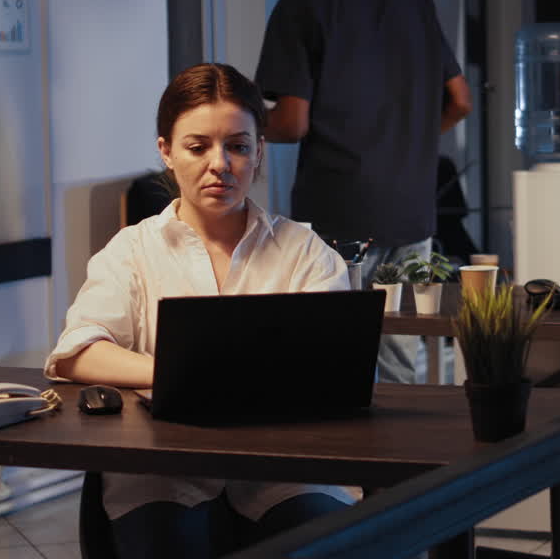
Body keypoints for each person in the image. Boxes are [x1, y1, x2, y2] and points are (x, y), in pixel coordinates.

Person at [44, 63, 353, 558]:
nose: (220, 164)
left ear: (259, 153)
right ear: (165, 151)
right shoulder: (131, 251)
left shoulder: (305, 251)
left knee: (326, 543)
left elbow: (336, 361)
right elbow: (77, 352)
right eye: (197, 146)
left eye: (238, 146)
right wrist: (181, 372)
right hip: (161, 472)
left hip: (286, 471)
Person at [255, 0, 472, 384]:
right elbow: (460, 100)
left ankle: (344, 465)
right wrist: (411, 140)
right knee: (397, 363)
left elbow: (291, 121)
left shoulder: (301, 5)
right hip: (412, 215)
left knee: (333, 360)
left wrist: (239, 124)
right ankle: (401, 464)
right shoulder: (414, 1)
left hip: (338, 216)